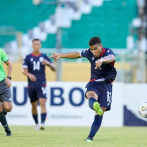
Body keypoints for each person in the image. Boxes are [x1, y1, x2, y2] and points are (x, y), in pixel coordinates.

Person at [50, 37, 117, 142]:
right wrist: (60, 55)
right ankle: (94, 106)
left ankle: (90, 136)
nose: (93, 52)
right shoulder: (89, 52)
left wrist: (102, 60)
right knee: (90, 94)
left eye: (95, 49)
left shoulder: (108, 52)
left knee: (100, 112)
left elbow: (111, 58)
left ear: (101, 47)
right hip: (94, 82)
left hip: (106, 84)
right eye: (91, 49)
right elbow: (77, 54)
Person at [22, 39, 56, 130]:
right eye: (35, 44)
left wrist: (48, 63)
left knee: (43, 103)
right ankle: (36, 123)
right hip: (31, 85)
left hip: (42, 84)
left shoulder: (44, 57)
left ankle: (42, 123)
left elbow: (54, 69)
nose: (36, 46)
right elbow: (23, 71)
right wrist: (30, 74)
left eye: (38, 44)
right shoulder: (28, 57)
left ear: (40, 45)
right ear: (32, 45)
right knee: (33, 105)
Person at [0, 48, 12, 136]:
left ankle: (3, 111)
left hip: (3, 83)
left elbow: (9, 64)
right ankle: (7, 130)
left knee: (8, 108)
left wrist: (9, 78)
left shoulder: (0, 51)